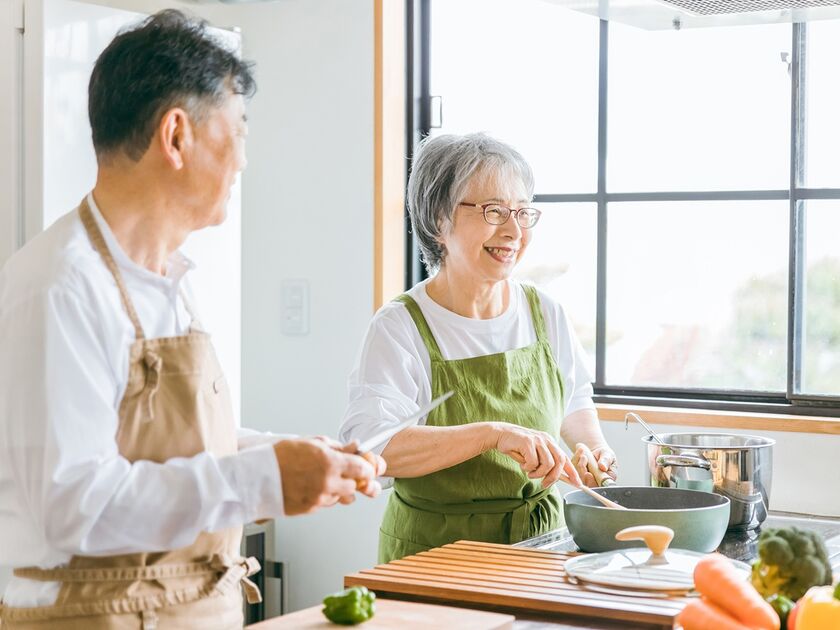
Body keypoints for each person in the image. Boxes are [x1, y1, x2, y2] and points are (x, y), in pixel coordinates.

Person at [0, 10, 383, 629]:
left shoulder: (168, 280)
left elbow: (168, 449)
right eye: (238, 132)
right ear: (176, 136)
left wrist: (288, 454)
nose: (243, 162)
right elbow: (74, 507)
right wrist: (264, 479)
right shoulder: (60, 285)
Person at [339, 133, 618, 563]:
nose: (513, 230)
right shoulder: (400, 326)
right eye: (494, 211)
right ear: (438, 219)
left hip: (541, 546)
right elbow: (374, 446)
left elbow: (575, 399)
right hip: (434, 553)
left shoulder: (543, 311)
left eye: (523, 212)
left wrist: (592, 451)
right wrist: (491, 434)